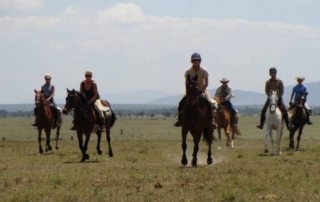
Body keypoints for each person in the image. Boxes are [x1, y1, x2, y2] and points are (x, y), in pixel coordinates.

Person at [174, 52, 216, 128]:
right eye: (194, 60)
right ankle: (179, 119)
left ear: (200, 61)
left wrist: (202, 91)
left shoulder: (204, 71)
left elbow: (206, 83)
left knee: (210, 103)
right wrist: (188, 92)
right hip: (191, 91)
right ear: (192, 61)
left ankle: (212, 120)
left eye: (197, 60)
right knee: (181, 103)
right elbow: (186, 83)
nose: (196, 62)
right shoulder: (188, 71)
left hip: (202, 89)